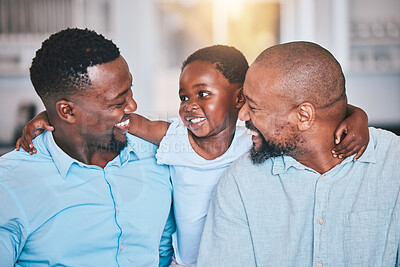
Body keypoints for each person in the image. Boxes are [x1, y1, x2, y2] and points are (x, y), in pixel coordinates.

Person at [16, 45, 369, 267]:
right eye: (184, 97)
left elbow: (300, 117)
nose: (190, 106)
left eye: (202, 94)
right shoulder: (172, 139)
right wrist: (54, 117)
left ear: (240, 99)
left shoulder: (254, 138)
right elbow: (124, 119)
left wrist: (356, 115)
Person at [197, 41, 400, 267]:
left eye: (253, 107)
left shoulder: (392, 164)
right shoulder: (240, 183)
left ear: (304, 116)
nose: (243, 115)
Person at [0, 28, 174, 266]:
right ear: (67, 111)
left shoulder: (160, 155)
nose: (133, 105)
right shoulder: (10, 185)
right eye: (118, 102)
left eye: (130, 90)